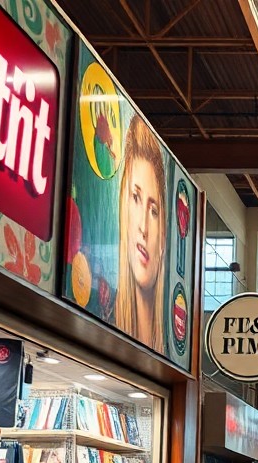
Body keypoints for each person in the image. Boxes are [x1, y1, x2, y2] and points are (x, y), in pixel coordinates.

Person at [115, 117, 167, 352]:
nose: (143, 227)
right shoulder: (103, 312)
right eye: (135, 198)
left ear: (164, 234)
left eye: (154, 210)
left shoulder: (172, 349)